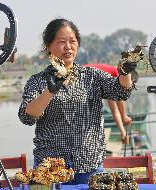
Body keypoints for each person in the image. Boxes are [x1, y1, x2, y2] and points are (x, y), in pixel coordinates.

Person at [18, 18, 138, 184]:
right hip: (51, 170)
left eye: (72, 41)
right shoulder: (38, 81)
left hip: (89, 166)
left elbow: (121, 92)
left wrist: (125, 73)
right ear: (48, 46)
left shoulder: (92, 76)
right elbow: (27, 116)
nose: (68, 47)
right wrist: (49, 92)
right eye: (61, 42)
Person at [84, 63, 139, 144]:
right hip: (86, 78)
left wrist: (123, 132)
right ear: (130, 78)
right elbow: (118, 105)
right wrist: (124, 117)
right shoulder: (120, 75)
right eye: (131, 85)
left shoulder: (111, 76)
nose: (129, 88)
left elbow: (114, 109)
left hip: (85, 77)